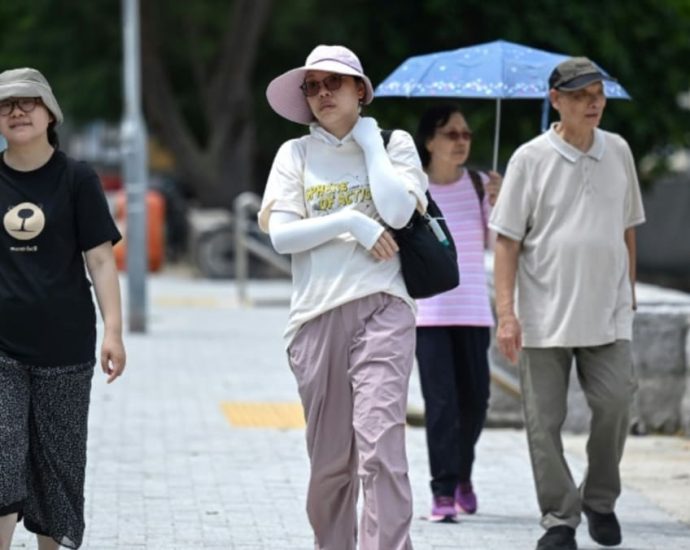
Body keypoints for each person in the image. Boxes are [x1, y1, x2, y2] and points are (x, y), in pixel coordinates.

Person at [259, 44, 428, 550]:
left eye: (334, 82)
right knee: (332, 464)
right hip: (315, 318)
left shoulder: (396, 146)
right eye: (312, 86)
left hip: (384, 306)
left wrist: (371, 144)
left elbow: (398, 214)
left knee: (381, 448)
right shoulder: (296, 154)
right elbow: (283, 236)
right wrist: (352, 223)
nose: (322, 93)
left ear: (361, 90)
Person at [489, 57, 645, 550]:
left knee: (616, 403)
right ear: (556, 100)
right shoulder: (529, 159)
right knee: (544, 422)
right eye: (580, 95)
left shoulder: (618, 151)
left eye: (598, 93)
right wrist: (507, 314)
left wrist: (630, 291)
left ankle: (600, 499)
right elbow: (507, 242)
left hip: (608, 313)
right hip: (542, 317)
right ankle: (560, 518)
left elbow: (627, 229)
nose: (594, 102)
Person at [0, 68, 126, 550]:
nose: (17, 112)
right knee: (3, 464)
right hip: (2, 349)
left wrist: (113, 331)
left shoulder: (77, 178)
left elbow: (99, 258)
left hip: (65, 347)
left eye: (28, 102)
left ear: (50, 112)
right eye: (7, 105)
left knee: (58, 467)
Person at [412, 104, 502, 522]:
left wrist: (500, 205)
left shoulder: (480, 184)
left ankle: (463, 474)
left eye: (466, 134)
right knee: (442, 404)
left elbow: (497, 245)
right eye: (451, 134)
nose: (462, 141)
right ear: (429, 142)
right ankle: (443, 490)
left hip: (473, 312)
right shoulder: (414, 188)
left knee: (476, 401)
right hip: (429, 315)